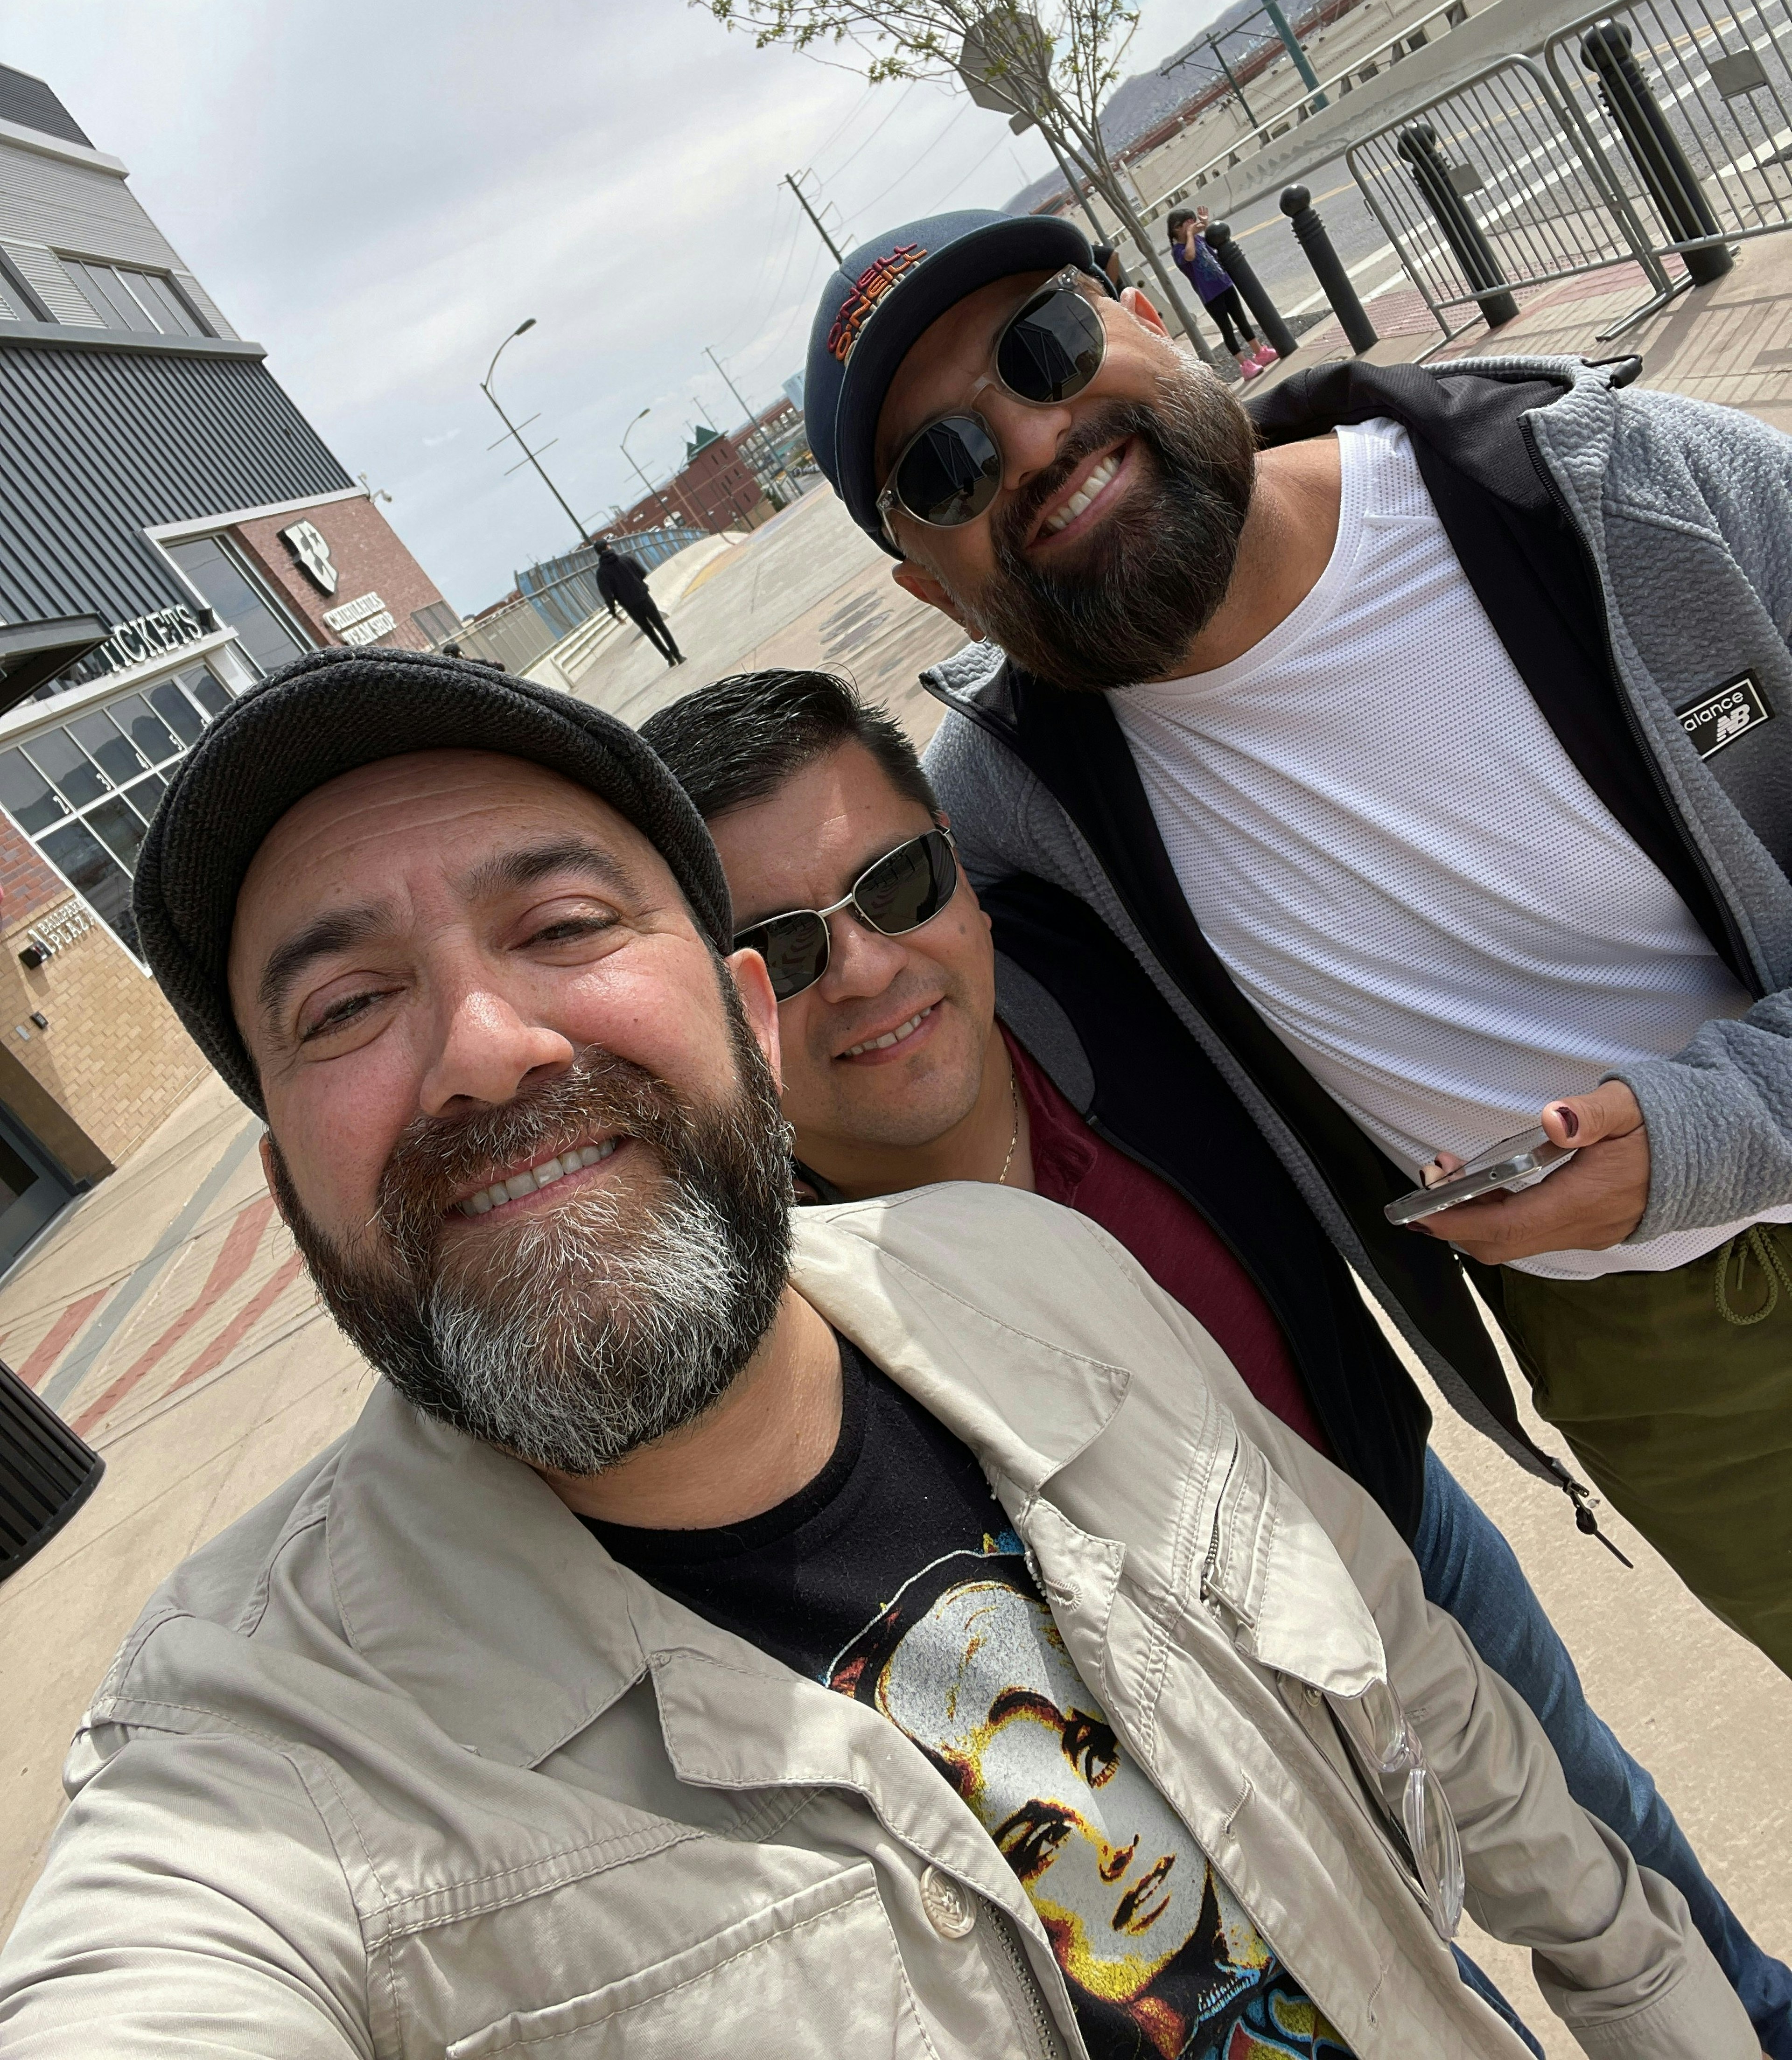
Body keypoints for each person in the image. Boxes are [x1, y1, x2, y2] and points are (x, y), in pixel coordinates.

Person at [0, 646, 1754, 2059]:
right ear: (290, 1193)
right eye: (344, 1006)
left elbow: (1433, 1697)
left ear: (738, 1025)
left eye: (561, 925)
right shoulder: (261, 1763)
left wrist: (1661, 2002)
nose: (482, 1042)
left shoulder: (1041, 1270)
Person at [644, 662, 1792, 2055]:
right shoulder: (773, 1326)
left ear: (961, 867)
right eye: (781, 949)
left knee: (1618, 1854)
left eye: (896, 883)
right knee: (1415, 1995)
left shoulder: (1124, 990)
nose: (868, 966)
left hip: (1405, 1530)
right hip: (1191, 1726)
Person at [796, 204, 1792, 1685]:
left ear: (1144, 312)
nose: (1032, 438)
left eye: (1042, 345)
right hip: (1654, 1361)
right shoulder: (1017, 810)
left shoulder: (1624, 490)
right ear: (928, 586)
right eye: (942, 467)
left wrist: (1717, 1127)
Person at [1167, 207, 1276, 376]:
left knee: (1241, 320)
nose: (1193, 225)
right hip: (1210, 295)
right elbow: (1190, 256)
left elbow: (1213, 244)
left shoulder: (1199, 239)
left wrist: (1205, 224)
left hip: (1225, 284)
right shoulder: (1178, 251)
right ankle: (1245, 365)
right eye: (1188, 223)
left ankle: (1260, 352)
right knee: (1227, 329)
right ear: (1177, 229)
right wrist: (1189, 235)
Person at [591, 533, 685, 664]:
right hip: (644, 597)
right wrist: (637, 583)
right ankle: (678, 656)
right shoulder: (626, 559)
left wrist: (614, 613)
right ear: (608, 546)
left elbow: (608, 596)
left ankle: (669, 659)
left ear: (598, 554)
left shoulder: (601, 573)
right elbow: (643, 573)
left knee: (650, 632)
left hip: (630, 606)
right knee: (661, 626)